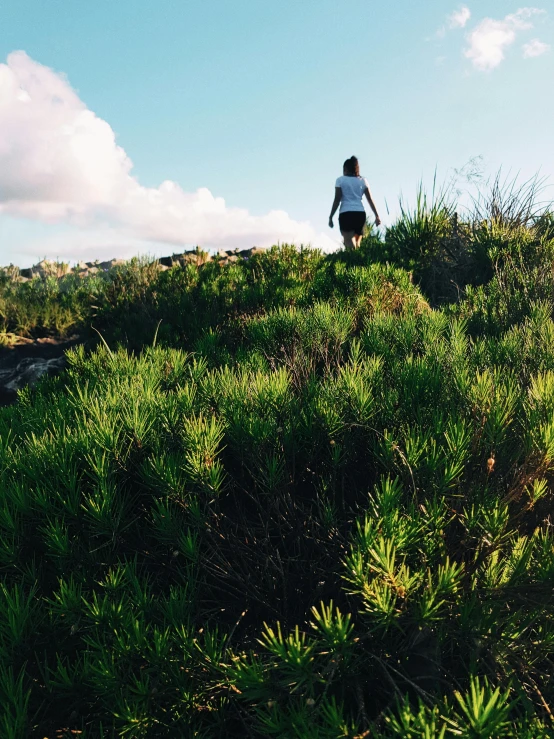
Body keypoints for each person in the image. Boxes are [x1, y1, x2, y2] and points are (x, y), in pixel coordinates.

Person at [329, 156, 381, 249]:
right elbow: (370, 199)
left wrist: (331, 216)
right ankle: (359, 262)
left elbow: (337, 199)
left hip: (346, 213)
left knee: (349, 243)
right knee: (357, 244)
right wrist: (377, 215)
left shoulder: (340, 180)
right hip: (360, 214)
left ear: (345, 169)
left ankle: (352, 262)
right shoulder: (363, 180)